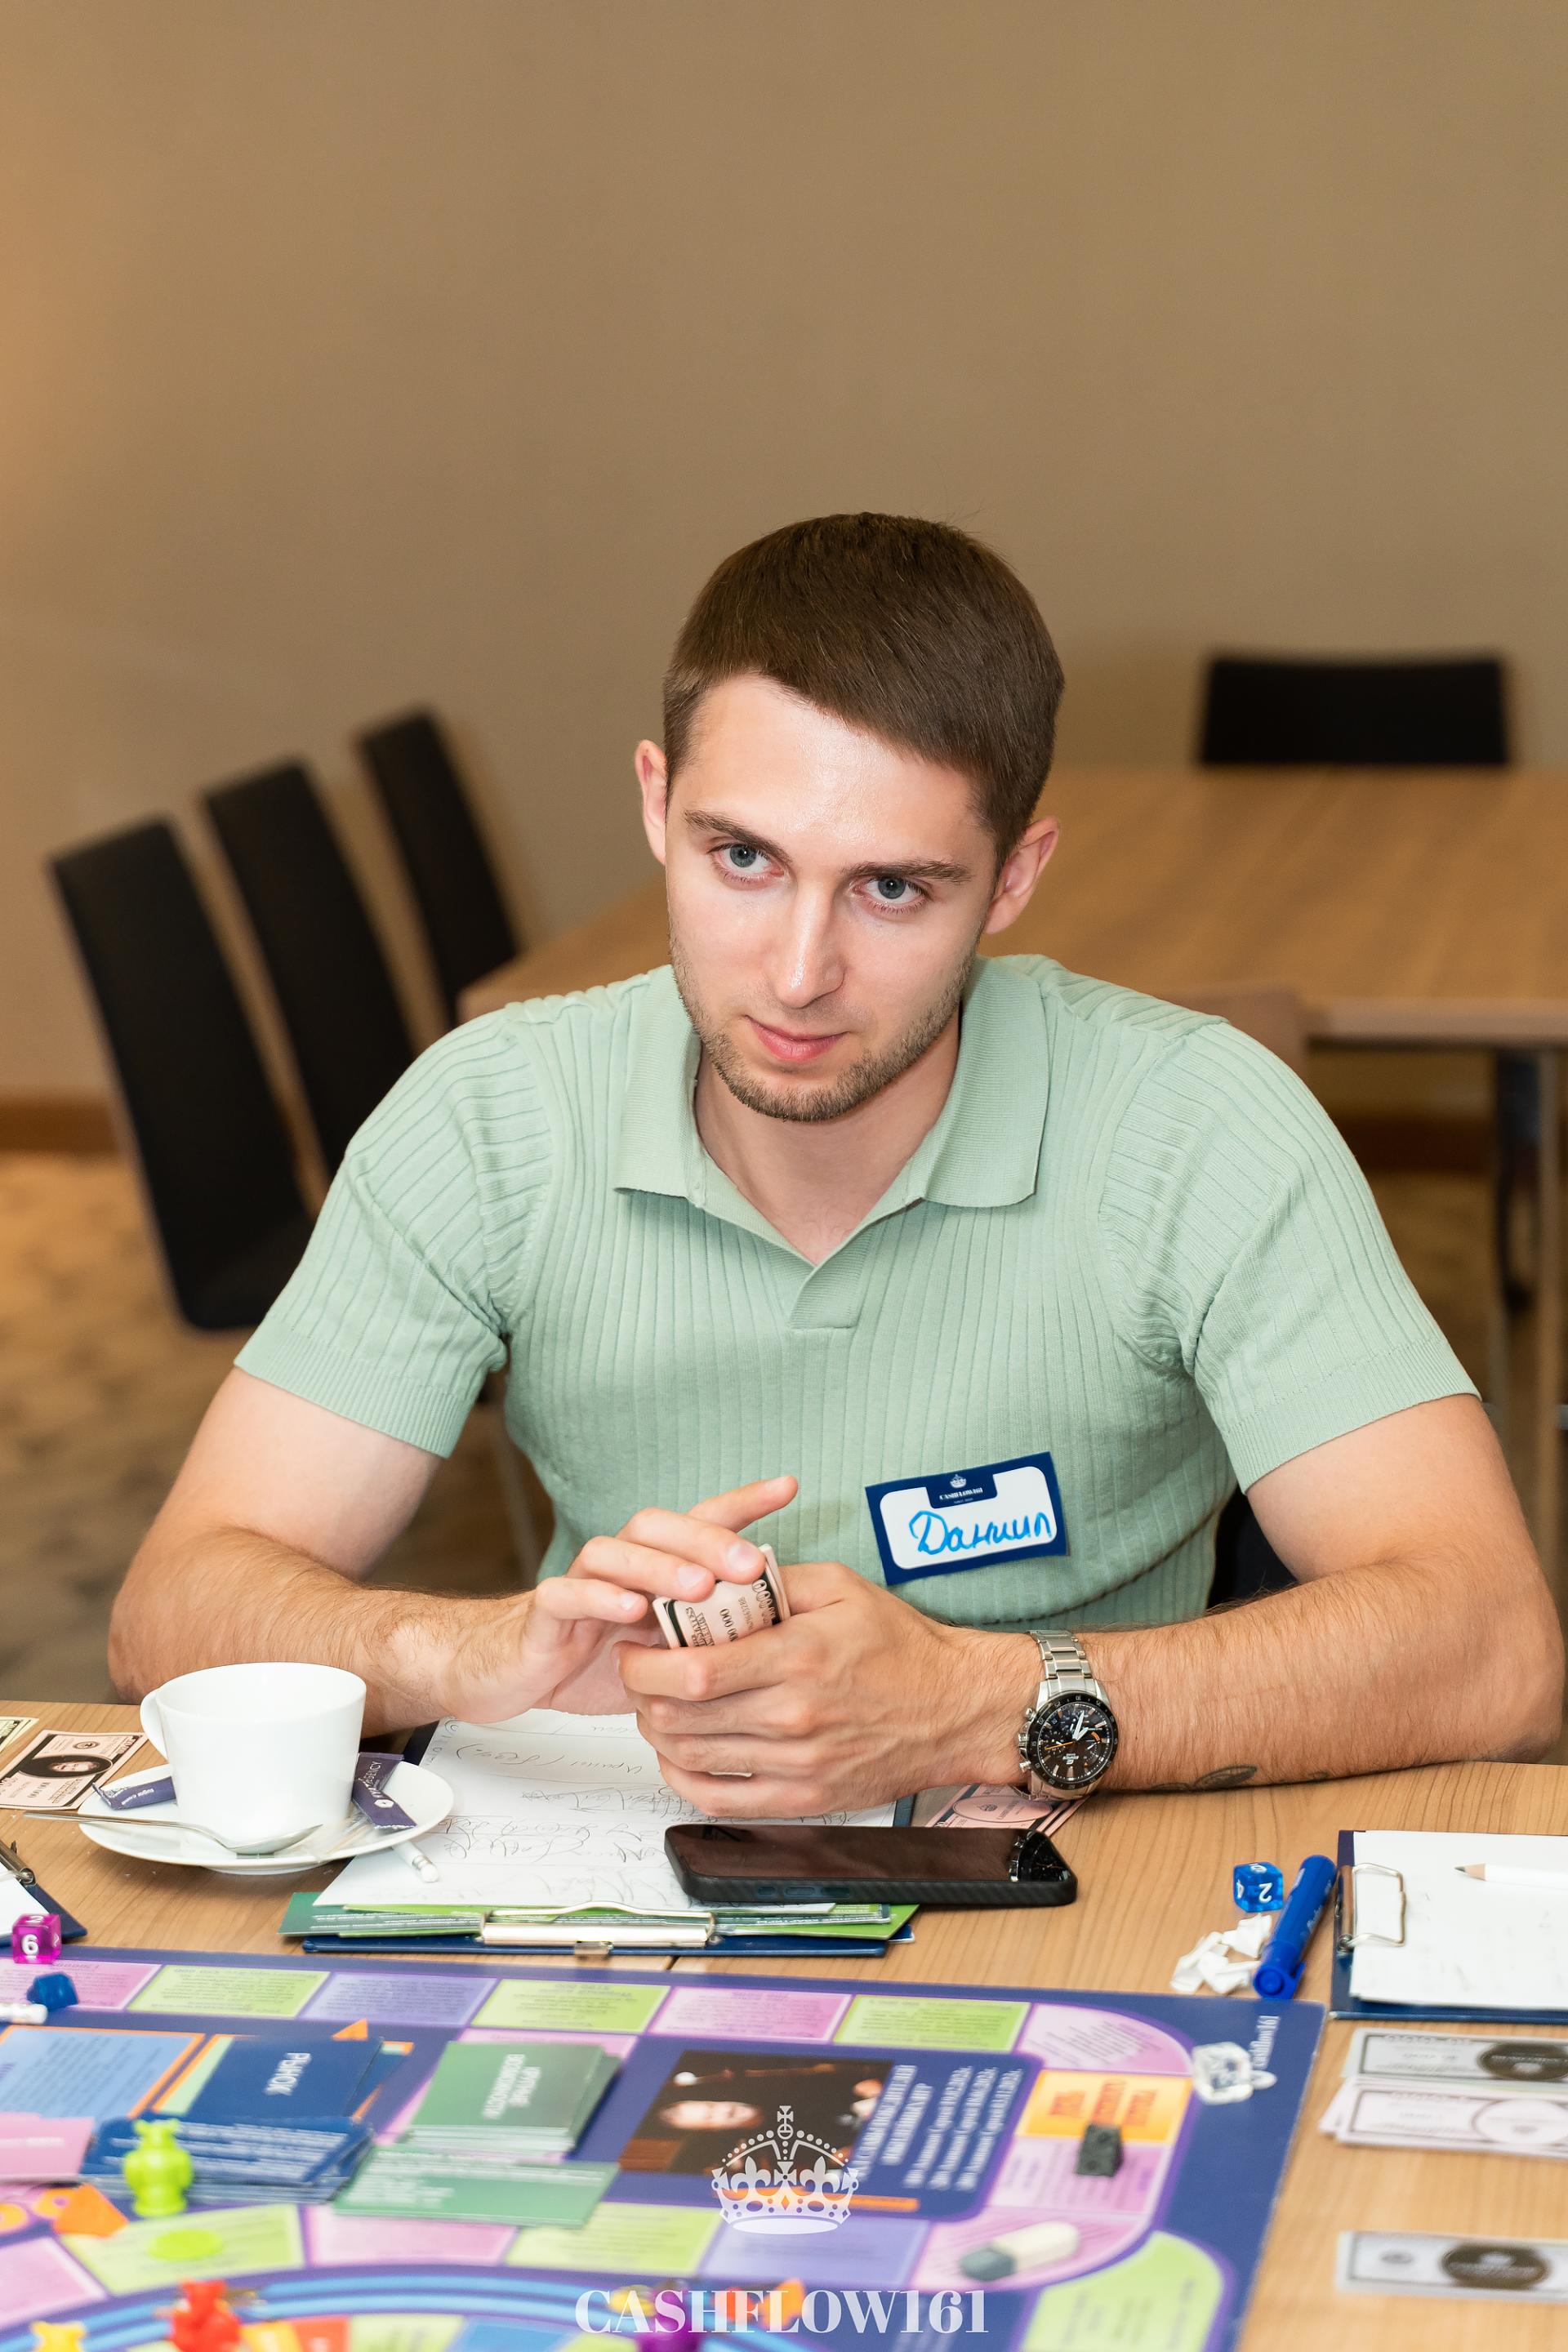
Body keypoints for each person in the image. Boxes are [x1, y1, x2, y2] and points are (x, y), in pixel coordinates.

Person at [110, 513, 1562, 1811]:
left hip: (1090, 1857)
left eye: (892, 888)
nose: (799, 973)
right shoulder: (491, 1117)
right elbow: (167, 1610)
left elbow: (1497, 1648)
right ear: (654, 803)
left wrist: (971, 1704)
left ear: (1014, 877)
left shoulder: (1199, 1124)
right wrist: (467, 1650)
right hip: (628, 1862)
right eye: (741, 858)